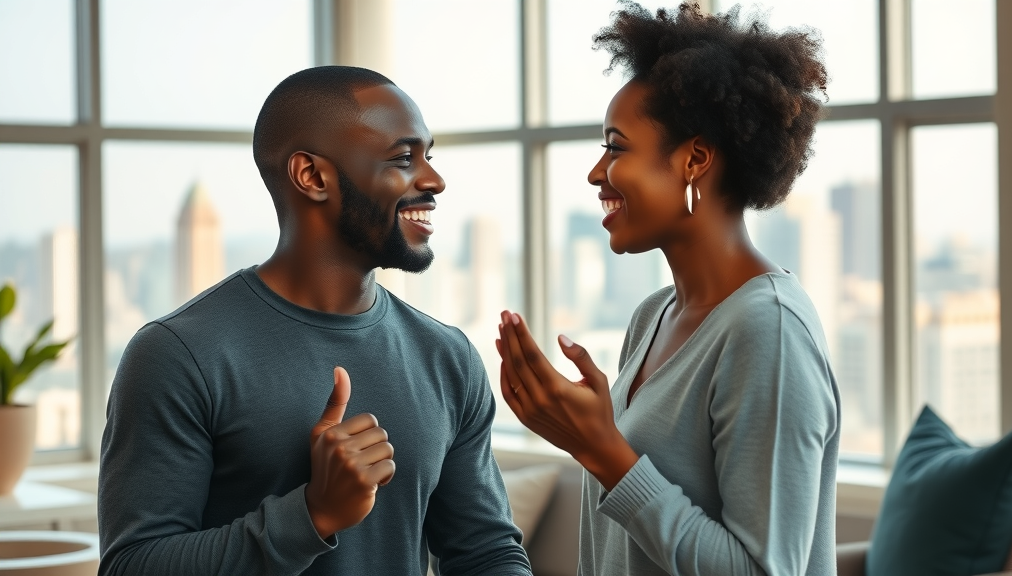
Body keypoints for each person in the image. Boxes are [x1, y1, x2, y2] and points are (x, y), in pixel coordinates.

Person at [99, 66, 532, 576]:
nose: (434, 180)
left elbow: (487, 554)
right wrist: (313, 514)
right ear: (311, 176)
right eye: (403, 158)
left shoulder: (448, 357)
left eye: (428, 157)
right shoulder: (177, 355)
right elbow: (132, 566)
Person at [496, 3, 839, 575]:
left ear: (694, 159)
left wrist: (603, 451)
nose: (596, 172)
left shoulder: (768, 330)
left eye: (616, 147)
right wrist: (587, 439)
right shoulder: (652, 316)